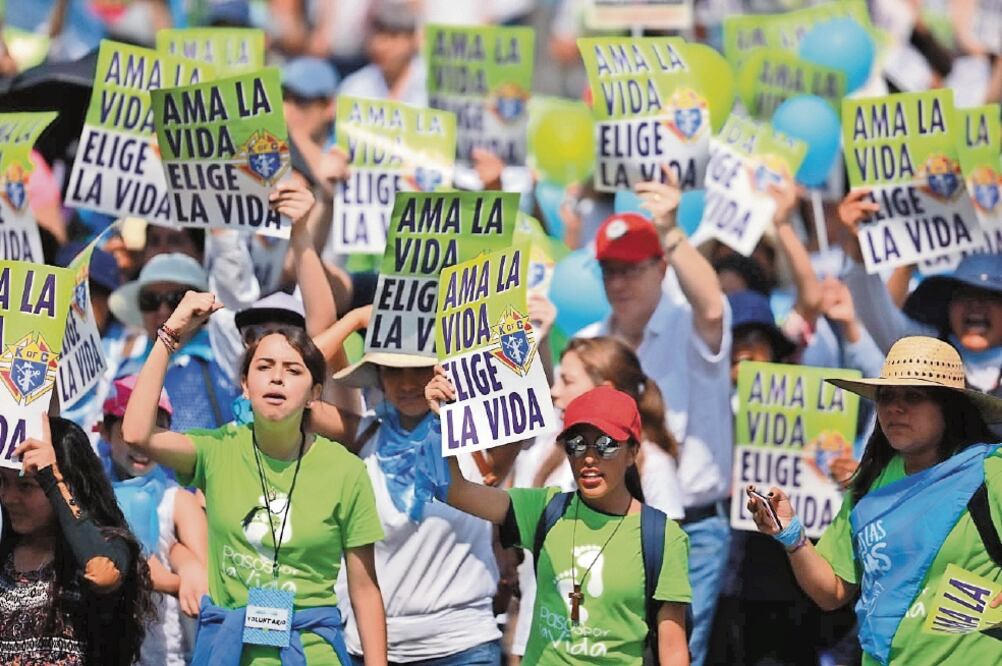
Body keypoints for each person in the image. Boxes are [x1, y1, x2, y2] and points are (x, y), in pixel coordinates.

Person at [121, 292, 388, 665]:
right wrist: (171, 332)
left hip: (312, 653)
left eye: (293, 370)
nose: (277, 377)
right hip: (227, 651)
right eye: (264, 367)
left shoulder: (346, 471)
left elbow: (364, 590)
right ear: (245, 385)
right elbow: (136, 434)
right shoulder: (218, 450)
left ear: (314, 393)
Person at [746, 335, 1002, 665]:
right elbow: (832, 592)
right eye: (886, 396)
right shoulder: (869, 483)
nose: (894, 408)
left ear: (949, 407)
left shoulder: (990, 472)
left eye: (913, 396)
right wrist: (791, 535)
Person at [576, 176, 731, 666]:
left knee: (676, 655)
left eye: (630, 270)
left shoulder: (690, 325)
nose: (617, 283)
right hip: (605, 524)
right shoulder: (587, 340)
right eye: (608, 271)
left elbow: (712, 304)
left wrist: (670, 231)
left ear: (661, 268)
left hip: (692, 528)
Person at [428, 380, 691, 665]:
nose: (589, 457)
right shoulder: (544, 508)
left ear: (632, 453)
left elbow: (673, 650)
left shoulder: (663, 537)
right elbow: (453, 490)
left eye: (606, 444)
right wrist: (443, 421)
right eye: (576, 444)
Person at [328, 332, 515, 665]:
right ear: (378, 378)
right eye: (392, 369)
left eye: (421, 368)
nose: (407, 383)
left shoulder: (481, 439)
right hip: (370, 650)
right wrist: (356, 319)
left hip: (464, 647)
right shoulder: (361, 433)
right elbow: (291, 391)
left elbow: (522, 390)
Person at [0, 415, 155, 665]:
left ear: (68, 485)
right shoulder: (5, 556)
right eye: (2, 482)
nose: (8, 497)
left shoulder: (108, 545)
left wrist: (51, 477)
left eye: (26, 486)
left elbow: (101, 571)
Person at [838, 190, 1001, 394]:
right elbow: (878, 317)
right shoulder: (927, 351)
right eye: (964, 294)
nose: (975, 305)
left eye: (990, 296)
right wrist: (859, 247)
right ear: (947, 305)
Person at [99, 375, 208, 665]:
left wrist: (183, 569)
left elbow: (205, 581)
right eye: (128, 431)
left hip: (169, 654)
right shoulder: (94, 496)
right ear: (105, 434)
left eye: (154, 430)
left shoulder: (178, 500)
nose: (141, 443)